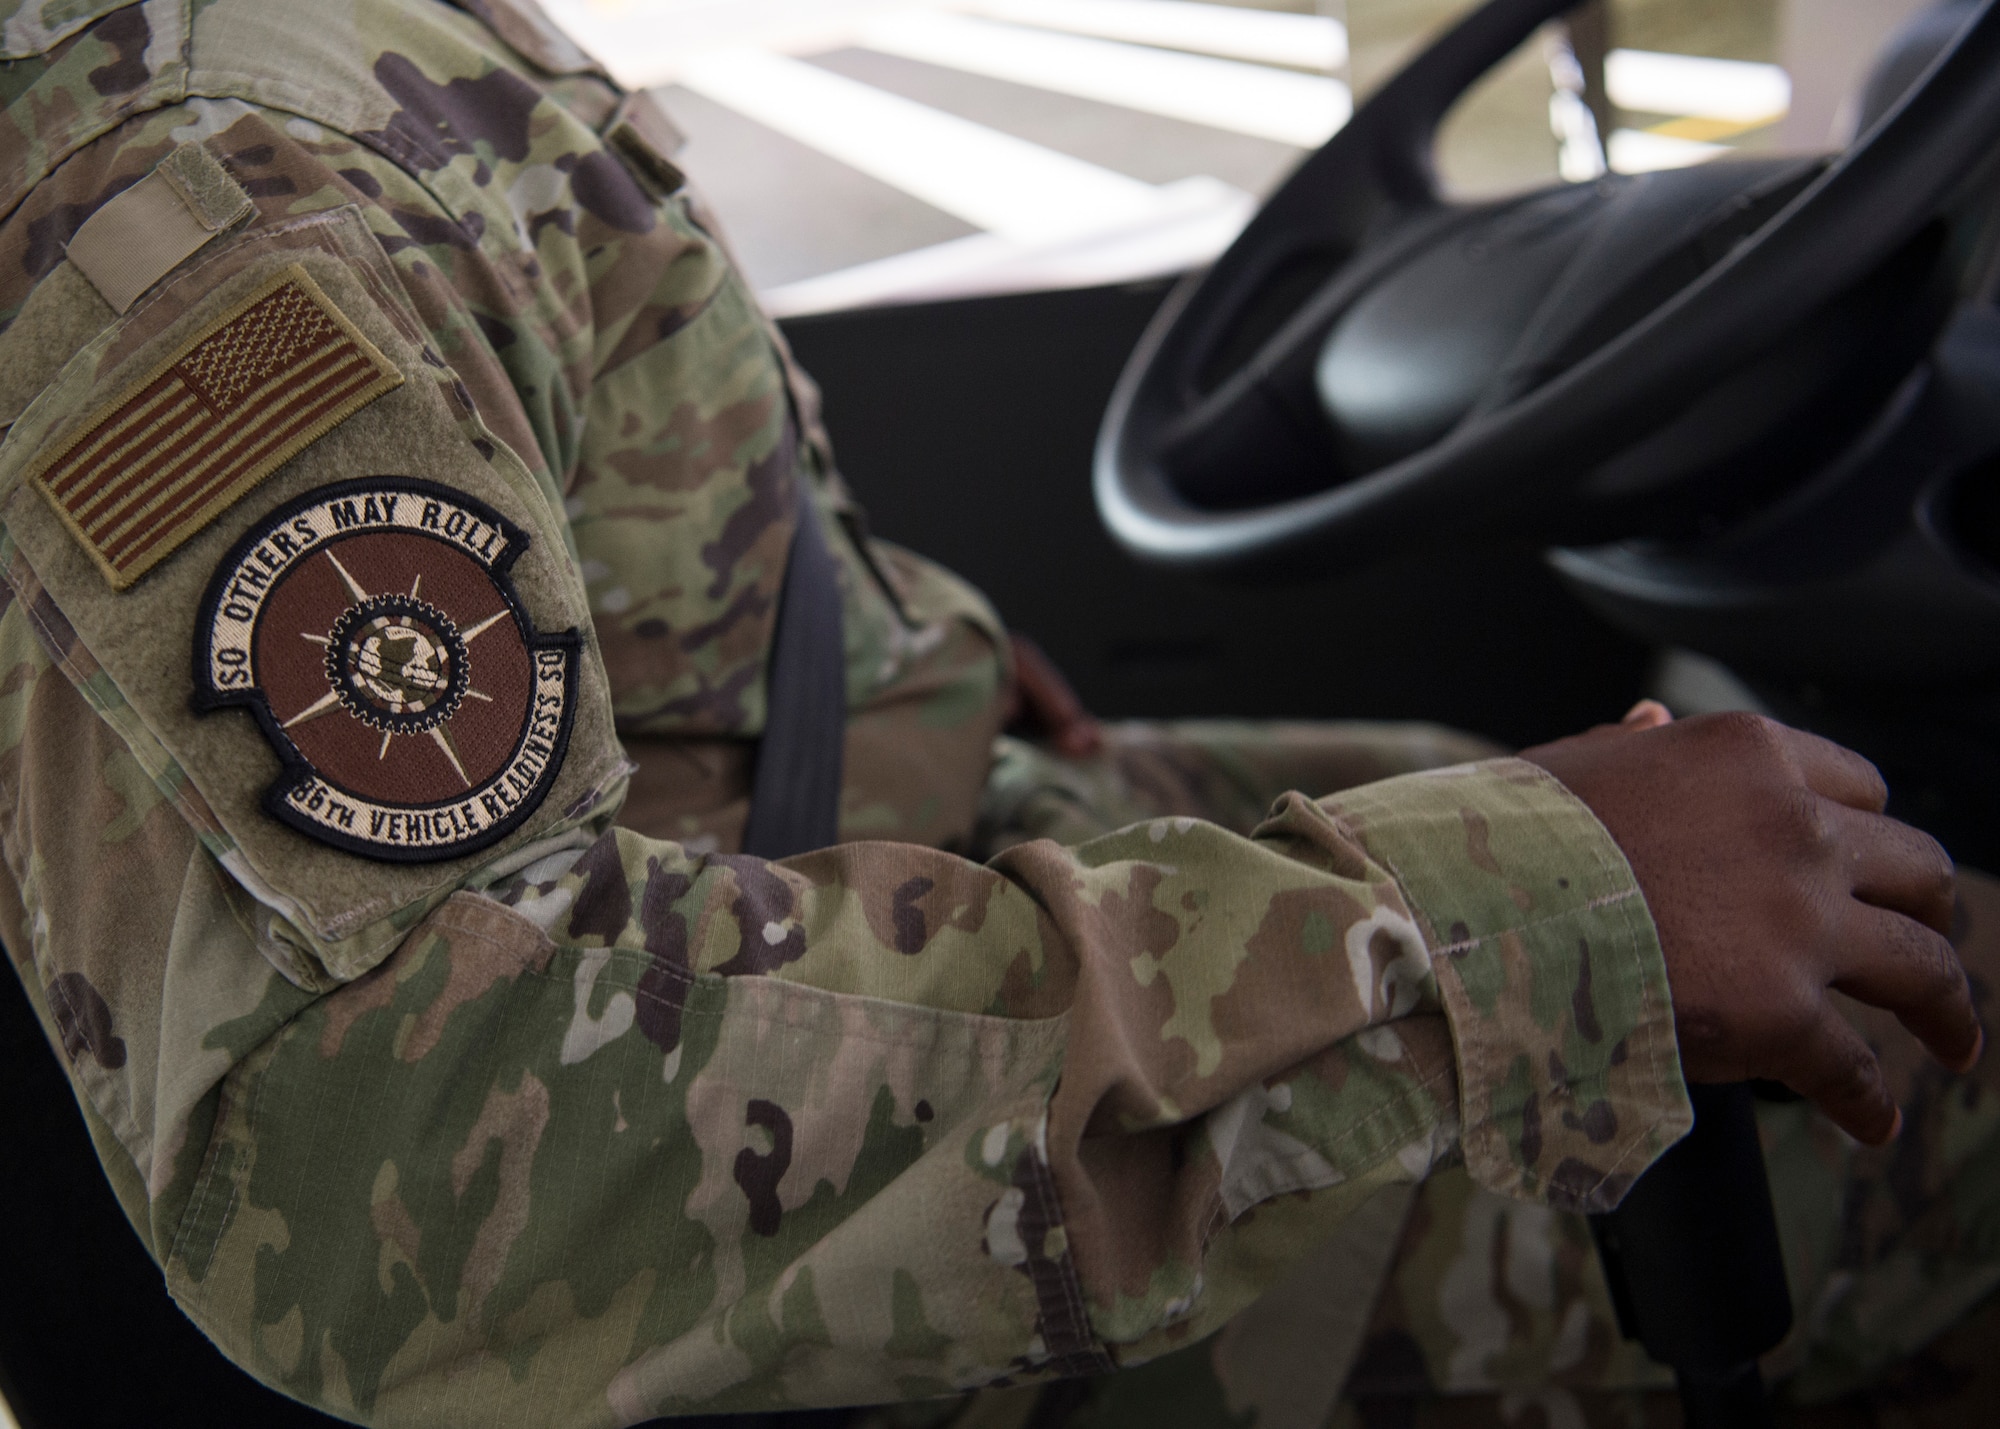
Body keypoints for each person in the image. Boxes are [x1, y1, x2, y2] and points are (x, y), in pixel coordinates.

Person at [0, 3, 1988, 1427]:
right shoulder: (219, 178)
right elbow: (386, 1162)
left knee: (1494, 780)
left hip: (848, 905)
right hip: (743, 1246)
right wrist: (1528, 921)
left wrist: (878, 655)